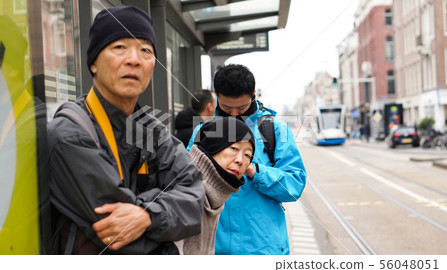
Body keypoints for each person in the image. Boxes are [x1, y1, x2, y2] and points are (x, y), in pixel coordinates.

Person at [47, 6, 204, 254]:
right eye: (119, 47)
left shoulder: (151, 130)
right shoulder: (71, 132)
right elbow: (116, 231)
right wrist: (163, 214)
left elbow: (195, 200)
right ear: (94, 63)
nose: (134, 59)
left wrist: (146, 216)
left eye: (146, 50)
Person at [187, 64, 307, 255]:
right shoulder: (202, 132)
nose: (234, 114)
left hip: (262, 249)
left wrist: (255, 171)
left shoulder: (276, 130)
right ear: (216, 95)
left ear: (253, 94)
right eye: (226, 107)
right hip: (214, 248)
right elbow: (186, 184)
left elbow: (295, 186)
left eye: (241, 107)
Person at [176, 117, 255, 254]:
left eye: (247, 155)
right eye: (234, 148)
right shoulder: (184, 192)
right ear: (213, 145)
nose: (240, 160)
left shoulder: (215, 195)